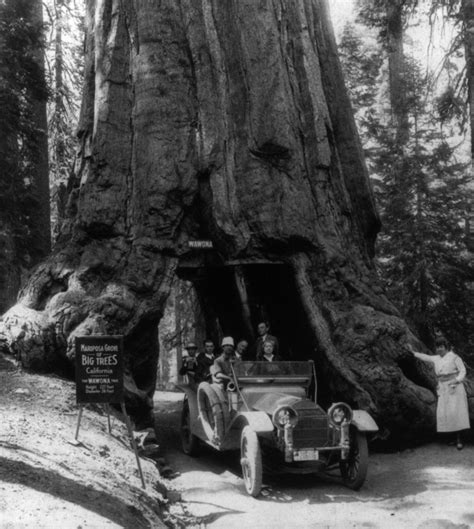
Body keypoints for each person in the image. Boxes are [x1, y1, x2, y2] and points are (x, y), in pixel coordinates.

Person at [409, 337, 470, 449]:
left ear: (446, 347)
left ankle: (459, 439)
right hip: (442, 387)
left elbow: (463, 371)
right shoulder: (436, 358)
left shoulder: (455, 357)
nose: (439, 349)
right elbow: (426, 357)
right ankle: (451, 437)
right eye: (437, 347)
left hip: (454, 387)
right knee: (446, 413)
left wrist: (456, 380)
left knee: (456, 411)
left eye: (441, 346)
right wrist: (413, 353)